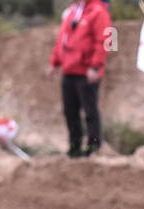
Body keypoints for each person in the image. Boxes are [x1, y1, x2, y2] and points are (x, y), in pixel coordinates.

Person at [47, 0, 112, 157]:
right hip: (69, 70)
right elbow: (62, 40)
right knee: (70, 112)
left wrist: (95, 66)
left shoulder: (98, 12)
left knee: (90, 111)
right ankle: (74, 147)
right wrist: (54, 63)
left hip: (87, 72)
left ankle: (94, 147)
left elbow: (105, 41)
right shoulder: (71, 12)